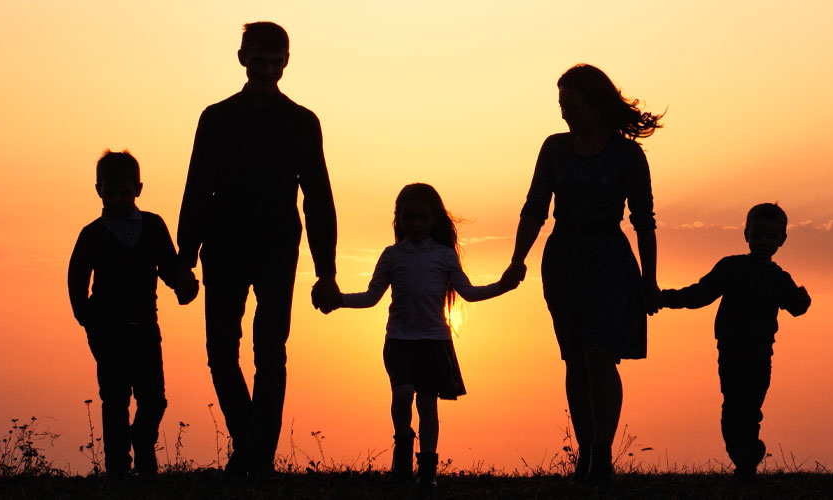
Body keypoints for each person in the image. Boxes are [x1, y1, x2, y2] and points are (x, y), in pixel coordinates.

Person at [176, 21, 339, 478]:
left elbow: (319, 199)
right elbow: (196, 188)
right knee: (221, 353)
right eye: (259, 59)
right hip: (223, 246)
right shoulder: (216, 117)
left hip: (276, 248)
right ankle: (252, 448)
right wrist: (184, 259)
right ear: (242, 58)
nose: (267, 68)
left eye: (275, 60)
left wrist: (325, 271)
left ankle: (255, 457)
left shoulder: (302, 122)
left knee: (271, 351)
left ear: (286, 62)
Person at [501, 64, 664, 485]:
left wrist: (649, 281)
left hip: (608, 258)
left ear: (594, 103)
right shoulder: (554, 149)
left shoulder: (628, 155)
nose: (563, 114)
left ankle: (603, 454)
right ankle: (586, 452)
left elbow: (644, 221)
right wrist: (517, 258)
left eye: (570, 105)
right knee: (574, 358)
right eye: (561, 105)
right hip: (563, 260)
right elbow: (534, 207)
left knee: (599, 355)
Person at [316, 183, 518, 499]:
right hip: (399, 341)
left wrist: (503, 286)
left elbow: (469, 292)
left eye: (422, 218)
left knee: (426, 404)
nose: (415, 224)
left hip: (434, 342)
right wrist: (338, 299)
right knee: (401, 395)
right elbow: (371, 297)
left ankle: (427, 474)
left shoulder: (444, 256)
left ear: (434, 220)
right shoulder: (391, 255)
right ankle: (402, 444)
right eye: (408, 218)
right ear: (399, 220)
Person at [68, 150, 198, 478]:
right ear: (98, 191)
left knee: (154, 399)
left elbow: (169, 269)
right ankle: (118, 469)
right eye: (109, 193)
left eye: (123, 193)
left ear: (138, 189)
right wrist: (87, 317)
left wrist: (186, 286)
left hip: (145, 327)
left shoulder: (153, 227)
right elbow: (76, 277)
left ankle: (141, 443)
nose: (116, 200)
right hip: (107, 330)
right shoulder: (92, 234)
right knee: (114, 400)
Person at [661, 203, 811, 479]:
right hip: (731, 351)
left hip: (760, 353)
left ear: (782, 240)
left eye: (770, 237)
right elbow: (699, 295)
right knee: (733, 404)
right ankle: (742, 454)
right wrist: (664, 298)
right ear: (746, 234)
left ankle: (746, 458)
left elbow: (796, 307)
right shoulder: (731, 267)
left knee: (751, 407)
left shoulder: (779, 278)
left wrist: (803, 300)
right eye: (757, 235)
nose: (763, 242)